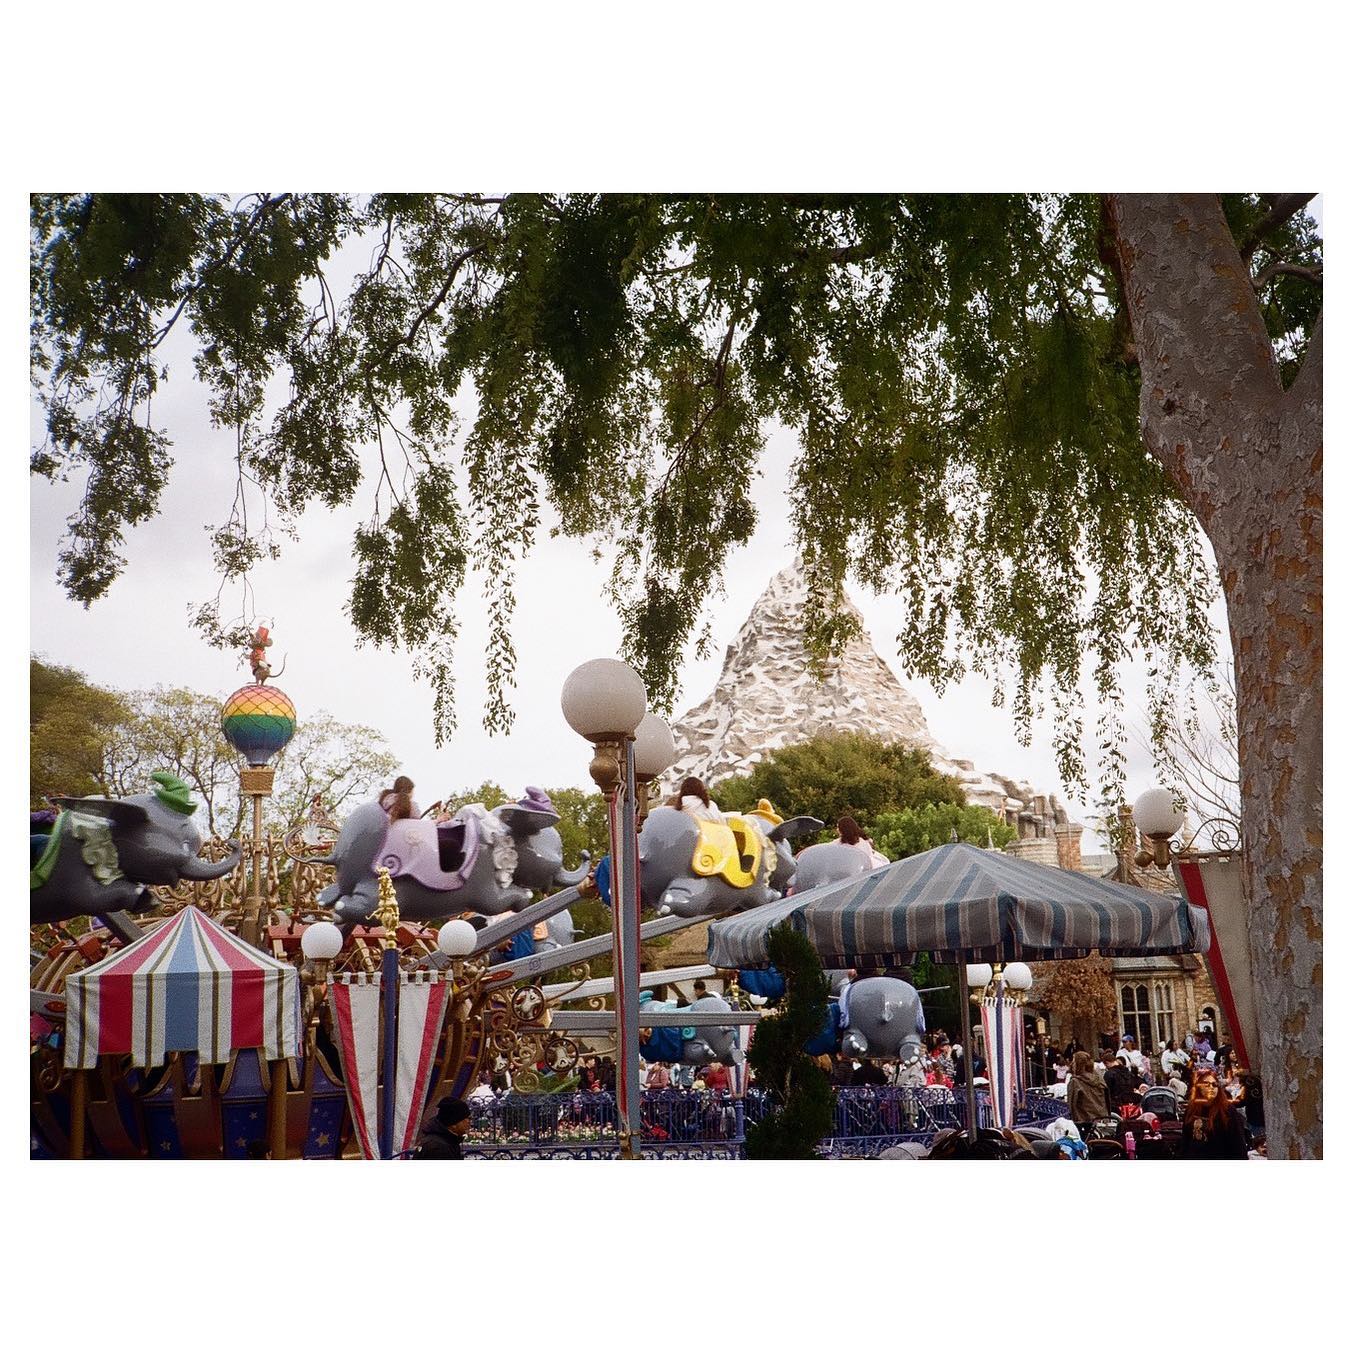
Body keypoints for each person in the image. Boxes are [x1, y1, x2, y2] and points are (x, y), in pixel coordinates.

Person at [1180, 1069, 1249, 1159]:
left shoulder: (1227, 1110)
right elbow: (1186, 1139)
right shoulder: (1191, 1109)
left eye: (1214, 1084)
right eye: (1206, 1084)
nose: (1211, 1087)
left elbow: (1238, 1144)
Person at [1065, 1050, 1109, 1131]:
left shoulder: (1075, 1083)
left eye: (1074, 1061)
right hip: (1103, 1121)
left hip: (1085, 1124)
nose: (1072, 1064)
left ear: (1078, 1064)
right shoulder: (1099, 1080)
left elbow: (1071, 1107)